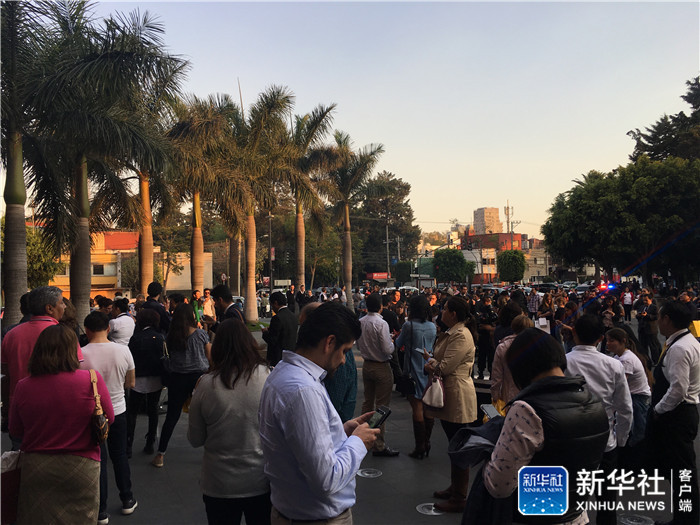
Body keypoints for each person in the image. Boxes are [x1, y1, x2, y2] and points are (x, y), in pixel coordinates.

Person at [259, 302, 379, 524]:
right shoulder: (303, 391)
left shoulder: (283, 374)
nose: (343, 360)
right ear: (329, 342)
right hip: (318, 518)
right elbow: (326, 479)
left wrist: (341, 431)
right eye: (344, 351)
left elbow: (298, 444)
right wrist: (358, 442)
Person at [482, 328, 609, 525]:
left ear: (520, 368)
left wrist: (489, 453)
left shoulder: (526, 409)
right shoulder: (594, 403)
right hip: (577, 516)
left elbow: (499, 485)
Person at [9, 325, 114, 524]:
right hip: (82, 465)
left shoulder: (23, 386)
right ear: (74, 350)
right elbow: (110, 417)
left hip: (38, 466)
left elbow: (15, 429)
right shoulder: (91, 380)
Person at [188, 319, 271, 525]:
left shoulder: (206, 385)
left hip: (219, 483)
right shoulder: (268, 377)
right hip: (261, 480)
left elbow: (195, 439)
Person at [565, 315, 633, 525]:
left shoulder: (563, 363)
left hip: (571, 441)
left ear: (574, 333)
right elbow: (625, 408)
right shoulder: (613, 365)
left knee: (570, 503)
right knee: (607, 501)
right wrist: (621, 439)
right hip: (605, 441)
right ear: (601, 338)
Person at [2, 286, 84, 449]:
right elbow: (76, 373)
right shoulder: (66, 336)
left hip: (21, 411)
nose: (65, 306)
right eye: (61, 302)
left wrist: (6, 408)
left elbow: (5, 376)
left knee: (21, 458)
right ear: (49, 308)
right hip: (58, 412)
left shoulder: (11, 335)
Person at [80, 311, 138, 522]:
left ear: (87, 330)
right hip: (118, 410)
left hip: (92, 414)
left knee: (99, 460)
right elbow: (131, 383)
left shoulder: (80, 354)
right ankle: (127, 499)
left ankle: (101, 510)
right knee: (119, 455)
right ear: (108, 328)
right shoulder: (123, 351)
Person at [646, 300, 700, 525]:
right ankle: (684, 516)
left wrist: (658, 410)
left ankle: (686, 518)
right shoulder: (685, 341)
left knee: (682, 471)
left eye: (659, 317)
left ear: (667, 319)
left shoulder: (679, 348)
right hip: (682, 412)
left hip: (678, 415)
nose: (657, 321)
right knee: (679, 469)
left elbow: (678, 389)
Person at [424, 295, 478, 513]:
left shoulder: (461, 335)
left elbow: (444, 367)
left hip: (458, 393)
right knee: (453, 444)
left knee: (459, 446)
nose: (441, 312)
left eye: (445, 309)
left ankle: (459, 496)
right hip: (450, 392)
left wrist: (430, 363)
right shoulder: (452, 332)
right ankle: (455, 487)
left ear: (454, 314)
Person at [152, 303, 211, 468]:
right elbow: (209, 356)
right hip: (199, 377)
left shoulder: (171, 336)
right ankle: (210, 452)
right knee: (206, 415)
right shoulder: (200, 334)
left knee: (172, 416)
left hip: (177, 378)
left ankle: (160, 454)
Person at [356, 293, 400, 457]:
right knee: (381, 407)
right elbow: (387, 349)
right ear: (381, 306)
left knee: (367, 403)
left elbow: (359, 345)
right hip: (381, 366)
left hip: (367, 364)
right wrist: (392, 342)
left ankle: (362, 438)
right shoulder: (381, 323)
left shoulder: (361, 322)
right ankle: (378, 443)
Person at [395, 294, 436, 459]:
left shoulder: (408, 325)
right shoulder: (432, 326)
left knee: (417, 407)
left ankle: (420, 446)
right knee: (428, 408)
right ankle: (427, 442)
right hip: (429, 369)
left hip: (413, 371)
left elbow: (398, 344)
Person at [605, 327, 651, 470]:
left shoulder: (626, 360)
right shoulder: (619, 357)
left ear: (623, 341)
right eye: (607, 340)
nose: (608, 343)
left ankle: (637, 464)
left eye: (611, 340)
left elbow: (620, 385)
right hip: (633, 396)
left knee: (637, 433)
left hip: (638, 398)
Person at [126, 308, 166, 457]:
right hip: (156, 378)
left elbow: (130, 359)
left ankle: (128, 444)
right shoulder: (160, 337)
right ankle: (150, 442)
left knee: (132, 412)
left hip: (138, 378)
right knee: (153, 410)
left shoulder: (136, 338)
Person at [490, 314, 534, 408]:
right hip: (530, 396)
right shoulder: (535, 347)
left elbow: (497, 375)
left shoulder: (503, 347)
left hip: (508, 396)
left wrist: (495, 396)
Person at [261, 291, 298, 367]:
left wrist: (265, 332)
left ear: (275, 303)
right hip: (291, 355)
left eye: (271, 305)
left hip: (278, 357)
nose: (272, 308)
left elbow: (272, 340)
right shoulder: (293, 316)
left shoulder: (277, 318)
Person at [636, 292, 661, 364]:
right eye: (644, 300)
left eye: (646, 300)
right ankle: (646, 360)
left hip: (651, 329)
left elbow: (657, 316)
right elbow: (637, 315)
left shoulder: (654, 307)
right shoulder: (642, 307)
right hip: (642, 329)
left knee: (653, 346)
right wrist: (639, 315)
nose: (645, 302)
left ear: (651, 300)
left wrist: (647, 316)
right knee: (643, 346)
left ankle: (656, 361)